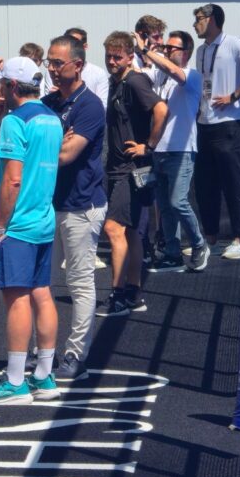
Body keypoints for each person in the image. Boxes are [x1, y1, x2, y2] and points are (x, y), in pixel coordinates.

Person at [0, 58, 62, 405]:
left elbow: (12, 178)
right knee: (42, 293)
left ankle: (14, 382)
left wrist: (0, 225)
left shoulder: (14, 121)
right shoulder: (51, 118)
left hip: (19, 224)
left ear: (11, 86)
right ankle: (44, 375)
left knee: (17, 299)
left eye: (1, 85)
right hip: (43, 219)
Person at [41, 35, 107, 380]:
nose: (51, 69)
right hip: (50, 204)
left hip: (81, 205)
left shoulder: (89, 105)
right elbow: (33, 143)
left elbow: (67, 155)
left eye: (57, 63)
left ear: (77, 65)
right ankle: (47, 351)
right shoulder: (48, 102)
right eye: (49, 62)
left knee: (79, 282)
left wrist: (46, 146)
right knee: (43, 282)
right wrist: (54, 141)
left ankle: (75, 354)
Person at [96, 32, 167, 317]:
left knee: (113, 229)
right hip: (118, 168)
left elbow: (162, 109)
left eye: (117, 56)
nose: (112, 61)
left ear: (129, 56)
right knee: (133, 232)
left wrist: (148, 146)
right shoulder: (116, 82)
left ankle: (117, 296)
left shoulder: (135, 81)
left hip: (131, 168)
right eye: (109, 56)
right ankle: (134, 293)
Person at [141, 31, 210, 272]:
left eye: (173, 48)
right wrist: (143, 51)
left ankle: (200, 244)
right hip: (160, 150)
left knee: (177, 201)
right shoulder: (161, 75)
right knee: (165, 206)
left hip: (181, 150)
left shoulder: (192, 76)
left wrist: (147, 51)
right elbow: (143, 74)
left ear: (187, 52)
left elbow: (174, 72)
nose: (168, 51)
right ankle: (172, 252)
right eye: (166, 47)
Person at [193, 3, 240, 260]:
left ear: (211, 19)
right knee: (205, 185)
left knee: (234, 183)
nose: (195, 24)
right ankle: (210, 238)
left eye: (199, 19)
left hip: (230, 125)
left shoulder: (234, 44)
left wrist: (234, 95)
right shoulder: (201, 51)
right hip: (204, 124)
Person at [63, 28, 109, 110]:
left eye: (75, 44)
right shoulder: (54, 71)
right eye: (66, 43)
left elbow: (103, 105)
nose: (70, 48)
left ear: (85, 46)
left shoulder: (98, 73)